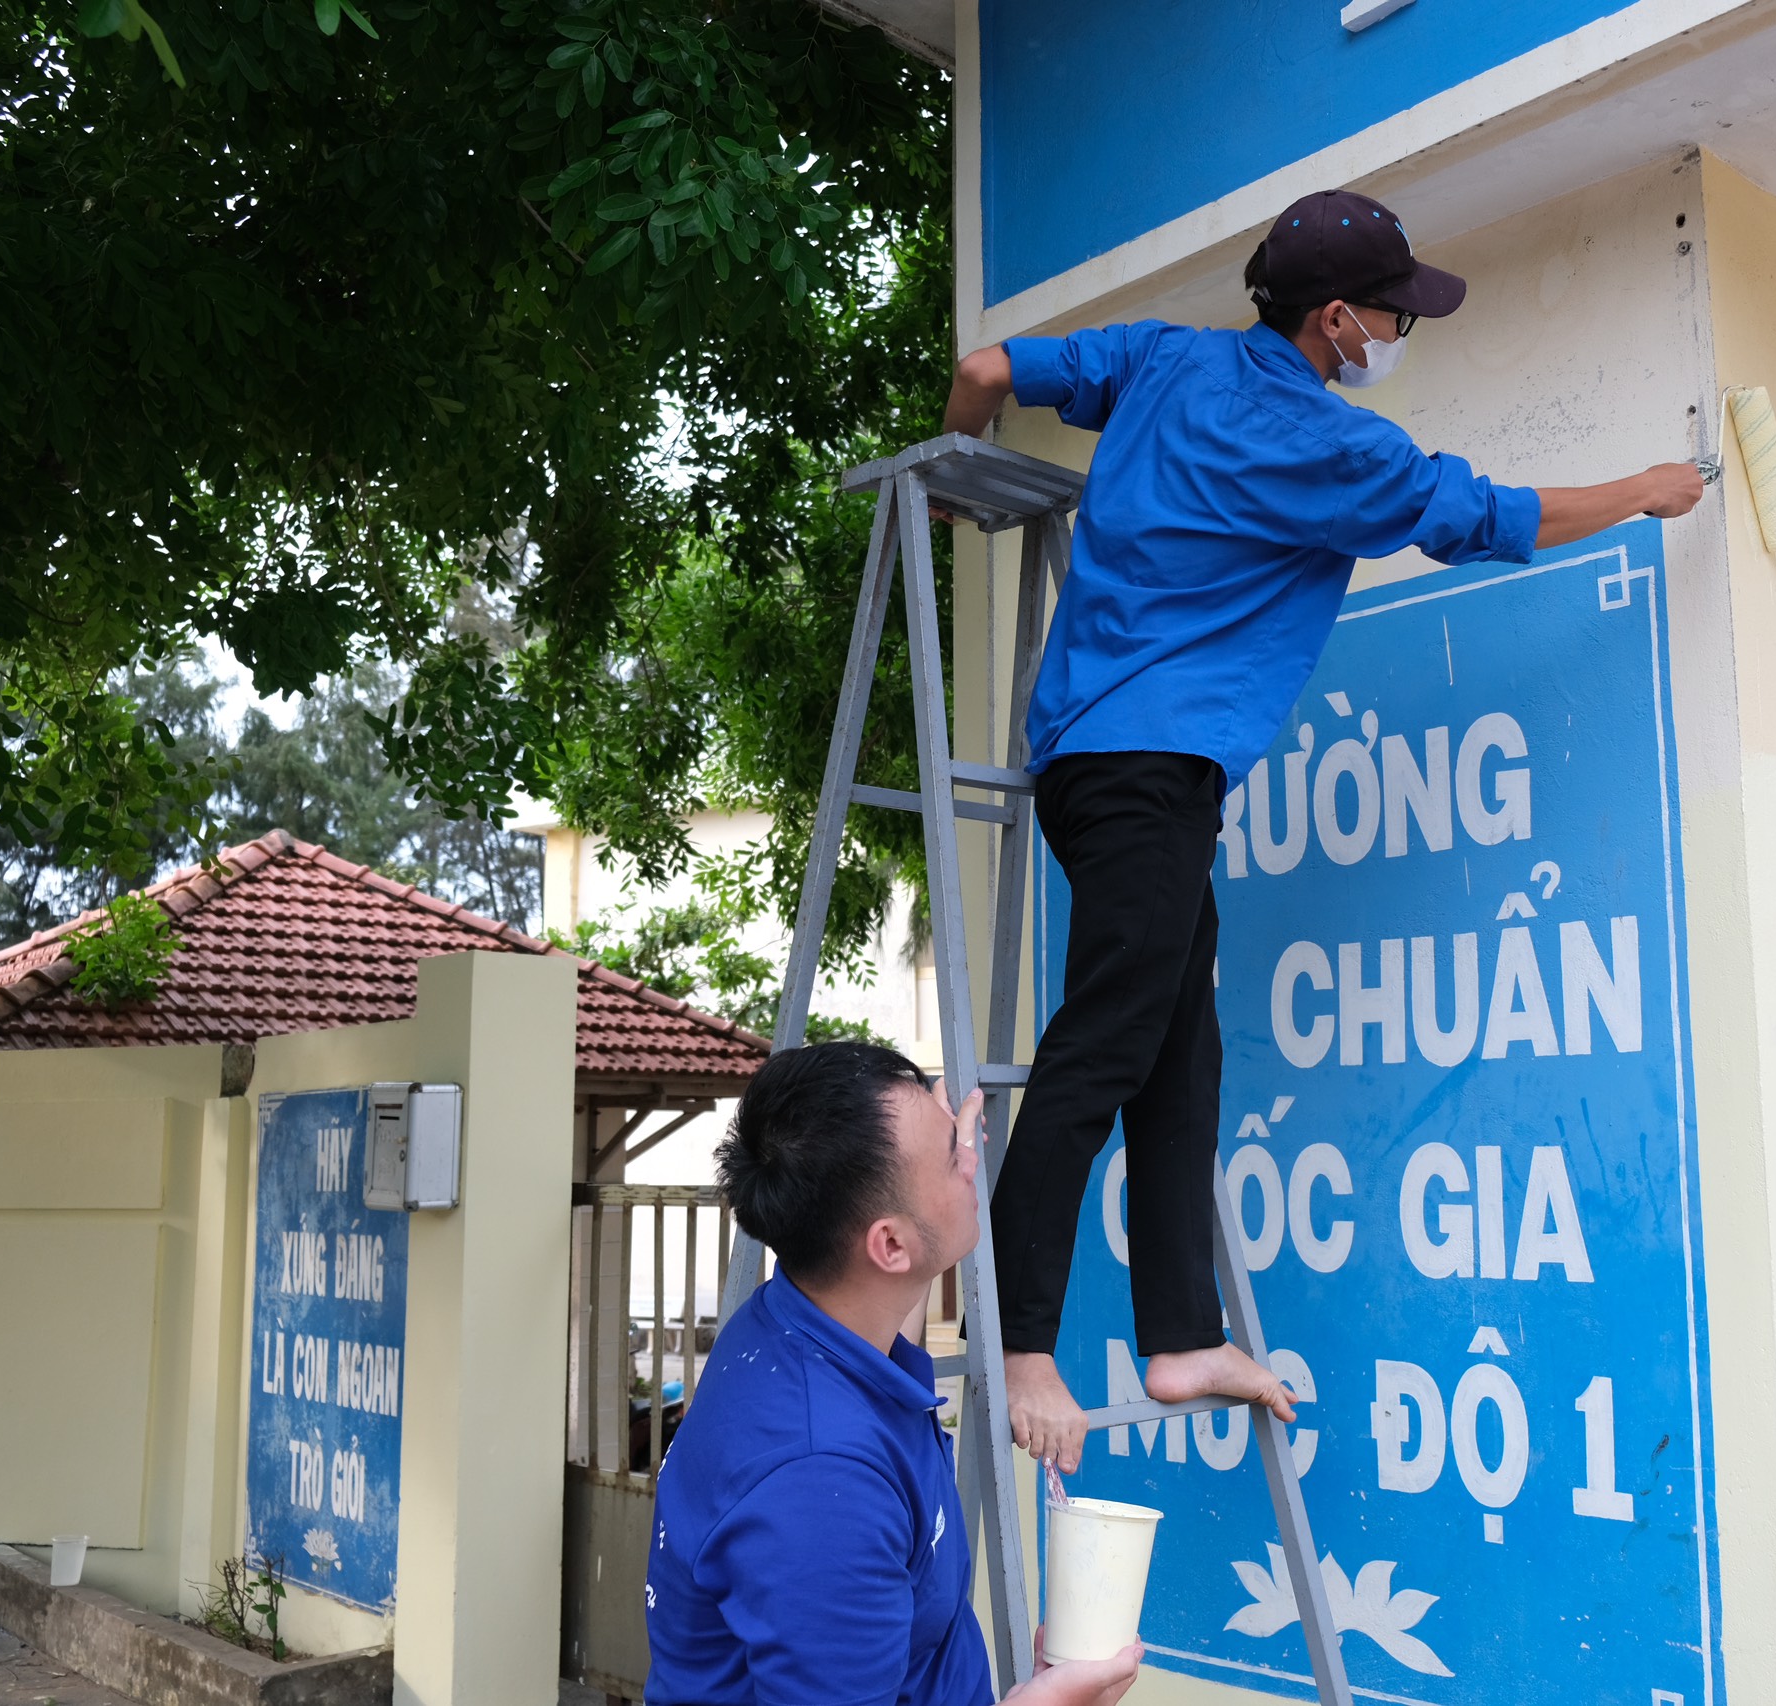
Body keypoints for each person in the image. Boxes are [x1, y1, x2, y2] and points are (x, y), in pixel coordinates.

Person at [940, 188, 1710, 1474]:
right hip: (1153, 771)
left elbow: (983, 369)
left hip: (1099, 766)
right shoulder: (1336, 448)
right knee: (1096, 1057)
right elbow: (1492, 521)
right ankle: (1019, 1347)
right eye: (1395, 312)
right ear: (1338, 320)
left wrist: (954, 481)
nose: (1404, 328)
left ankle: (1179, 1339)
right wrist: (1643, 489)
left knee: (1182, 1056)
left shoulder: (1161, 356)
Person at [645, 1040, 1141, 1706]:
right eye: (952, 1157)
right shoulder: (822, 1487)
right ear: (889, 1246)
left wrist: (924, 1135)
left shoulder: (798, 1320)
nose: (973, 1159)